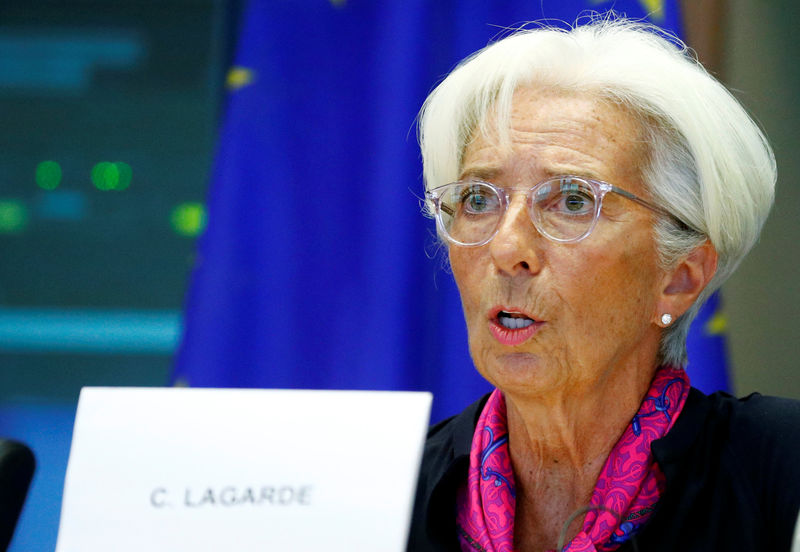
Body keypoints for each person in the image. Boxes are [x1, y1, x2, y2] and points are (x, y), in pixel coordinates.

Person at [407, 17, 800, 552]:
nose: (506, 249)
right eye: (478, 199)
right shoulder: (388, 491)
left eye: (571, 201)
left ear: (679, 279)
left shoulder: (781, 474)